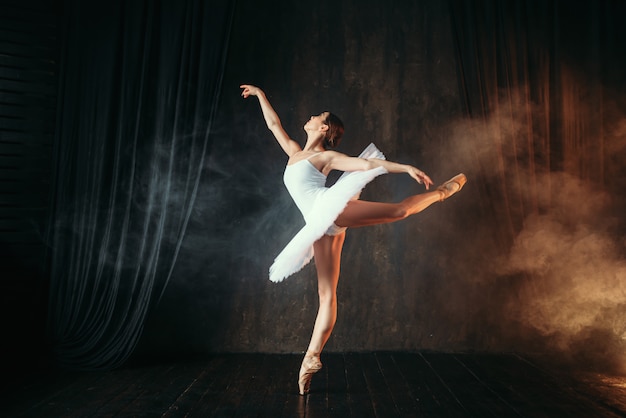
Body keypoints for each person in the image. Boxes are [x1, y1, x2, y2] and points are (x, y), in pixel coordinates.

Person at [240, 84, 466, 395]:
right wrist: (261, 94)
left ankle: (441, 192)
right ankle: (311, 359)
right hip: (319, 223)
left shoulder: (326, 157)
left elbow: (368, 165)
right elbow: (273, 124)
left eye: (318, 115)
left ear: (324, 127)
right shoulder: (295, 152)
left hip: (329, 207)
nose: (310, 115)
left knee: (398, 212)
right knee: (327, 296)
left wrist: (405, 167)